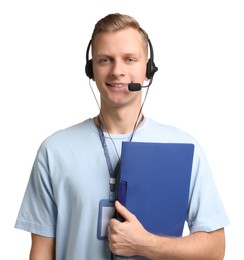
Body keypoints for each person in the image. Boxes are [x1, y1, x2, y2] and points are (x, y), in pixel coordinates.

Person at [15, 13, 229, 260]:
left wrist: (146, 245)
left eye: (130, 59)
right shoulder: (54, 150)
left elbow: (215, 249)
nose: (118, 71)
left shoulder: (184, 148)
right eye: (105, 60)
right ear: (91, 70)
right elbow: (41, 252)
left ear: (148, 69)